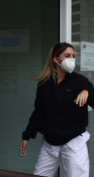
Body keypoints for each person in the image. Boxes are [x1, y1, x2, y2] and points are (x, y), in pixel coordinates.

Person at [20, 42, 94, 177]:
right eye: (67, 55)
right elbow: (39, 112)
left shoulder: (79, 81)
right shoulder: (44, 85)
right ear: (56, 59)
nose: (71, 59)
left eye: (73, 56)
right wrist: (27, 135)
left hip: (74, 143)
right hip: (50, 144)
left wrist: (87, 91)